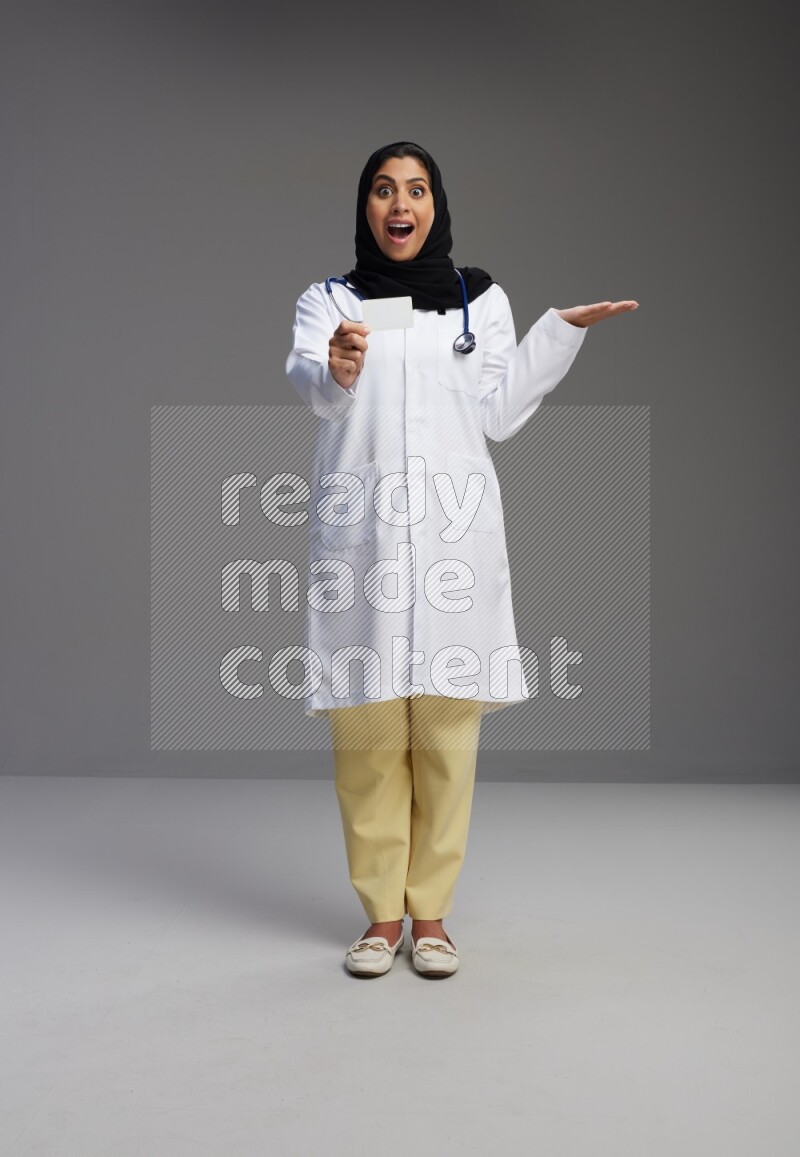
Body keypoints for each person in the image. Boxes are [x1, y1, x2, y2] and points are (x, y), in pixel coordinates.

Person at [285, 141, 638, 978]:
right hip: (364, 544)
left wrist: (559, 333)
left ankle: (431, 916)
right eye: (382, 189)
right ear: (365, 207)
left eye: (415, 188)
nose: (399, 203)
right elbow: (313, 382)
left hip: (453, 542)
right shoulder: (330, 300)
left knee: (446, 735)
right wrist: (335, 370)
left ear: (435, 204)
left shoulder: (480, 302)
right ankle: (379, 919)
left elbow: (501, 412)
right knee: (370, 734)